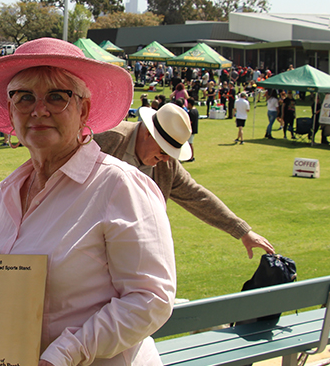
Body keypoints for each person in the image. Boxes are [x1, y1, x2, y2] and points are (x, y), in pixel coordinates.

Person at [0, 38, 175, 366]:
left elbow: (151, 298)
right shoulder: (10, 190)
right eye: (23, 97)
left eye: (57, 96)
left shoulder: (119, 185)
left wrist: (65, 353)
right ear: (9, 111)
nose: (38, 109)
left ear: (85, 110)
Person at [96, 102, 276, 259]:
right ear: (148, 134)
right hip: (91, 241)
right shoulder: (106, 139)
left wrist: (243, 231)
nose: (166, 159)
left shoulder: (167, 166)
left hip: (132, 246)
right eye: (164, 151)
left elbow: (197, 196)